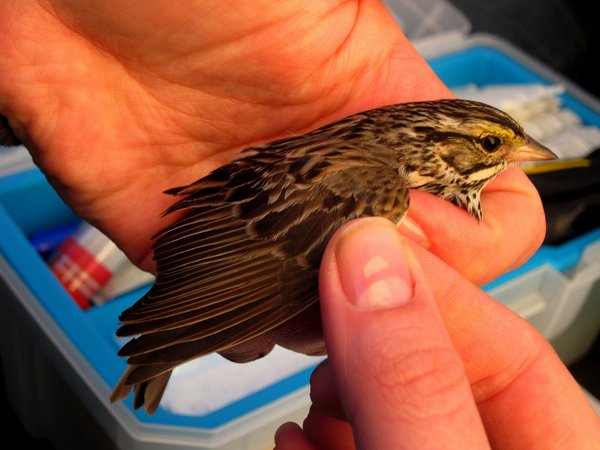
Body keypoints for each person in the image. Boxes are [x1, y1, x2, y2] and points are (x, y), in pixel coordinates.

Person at [0, 1, 598, 448]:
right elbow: (260, 256)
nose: (521, 153)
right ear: (436, 147)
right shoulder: (378, 186)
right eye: (494, 145)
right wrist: (167, 341)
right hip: (219, 244)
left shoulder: (392, 169)